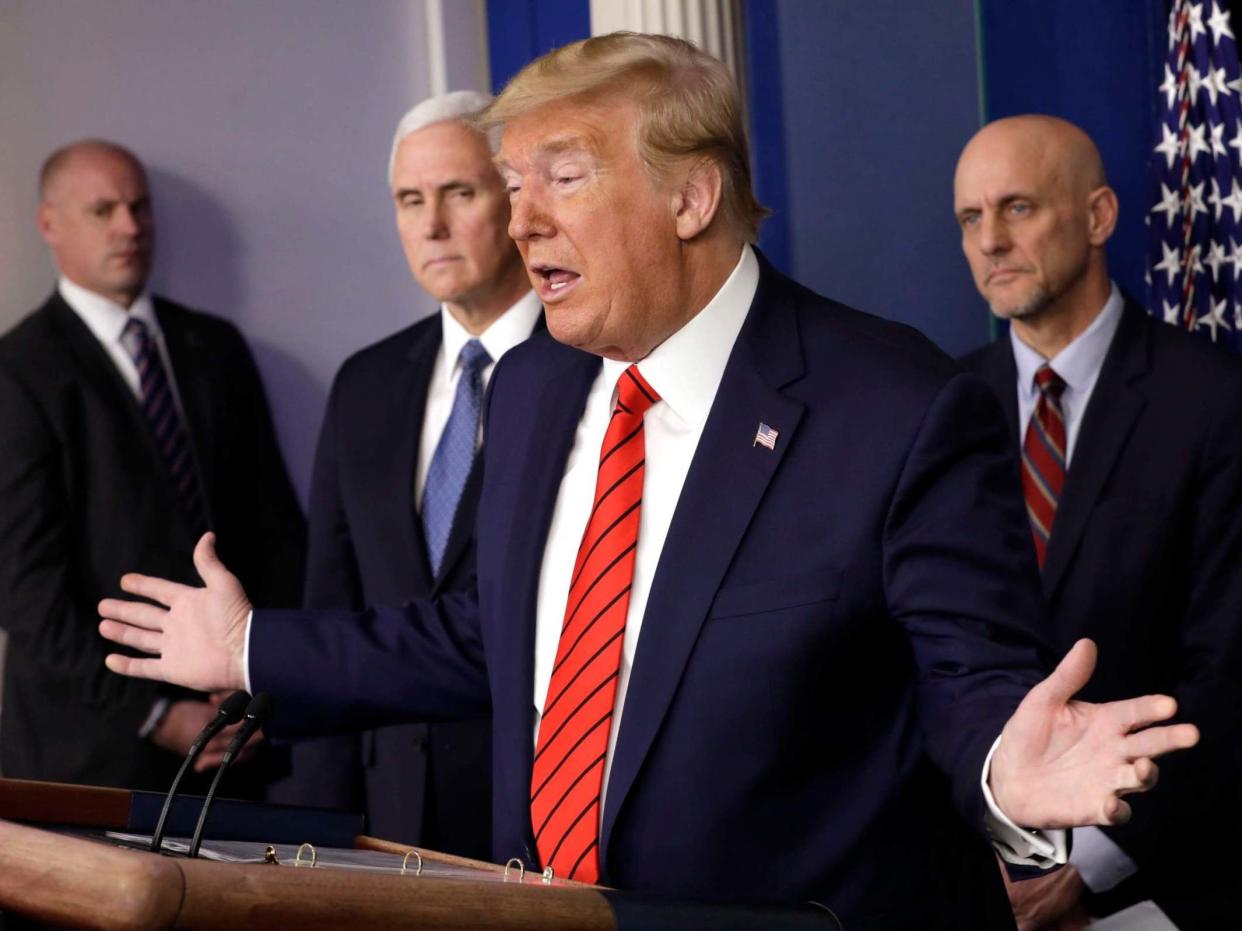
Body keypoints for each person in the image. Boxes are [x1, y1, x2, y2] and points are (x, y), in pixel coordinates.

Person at [99, 36, 1198, 928]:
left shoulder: (895, 403)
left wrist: (1013, 770)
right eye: (516, 183)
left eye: (564, 178)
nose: (522, 218)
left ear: (690, 198)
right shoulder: (532, 384)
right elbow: (500, 635)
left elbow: (964, 679)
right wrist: (251, 649)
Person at [956, 115, 1242, 930]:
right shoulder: (943, 403)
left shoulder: (1213, 400)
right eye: (971, 219)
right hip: (974, 881)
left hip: (1169, 878)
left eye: (1017, 208)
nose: (990, 241)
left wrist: (1082, 865)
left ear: (1098, 217)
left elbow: (1227, 676)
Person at [270, 91, 539, 857]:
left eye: (459, 192)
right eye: (410, 200)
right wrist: (309, 835)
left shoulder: (590, 369)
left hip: (530, 813)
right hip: (385, 816)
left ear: (516, 200)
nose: (432, 225)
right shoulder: (366, 381)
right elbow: (332, 602)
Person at [0, 140, 305, 794]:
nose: (130, 227)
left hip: (239, 738)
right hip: (89, 759)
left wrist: (261, 676)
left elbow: (275, 528)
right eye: (103, 210)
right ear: (49, 223)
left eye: (139, 207)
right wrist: (155, 712)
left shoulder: (215, 346)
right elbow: (24, 590)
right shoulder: (17, 371)